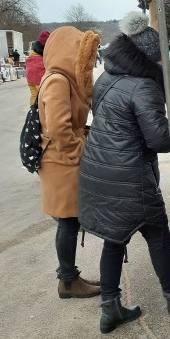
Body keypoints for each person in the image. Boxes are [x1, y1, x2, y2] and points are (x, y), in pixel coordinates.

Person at [78, 11, 170, 334]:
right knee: (158, 234)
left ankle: (110, 308)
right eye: (163, 60)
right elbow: (159, 139)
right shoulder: (144, 87)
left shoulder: (106, 78)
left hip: (99, 171)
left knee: (113, 238)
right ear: (150, 60)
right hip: (130, 176)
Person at [38, 26, 102, 299]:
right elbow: (58, 128)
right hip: (61, 162)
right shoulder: (57, 81)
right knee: (67, 221)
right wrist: (79, 154)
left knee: (71, 222)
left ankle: (69, 277)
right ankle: (67, 282)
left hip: (64, 160)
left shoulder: (63, 79)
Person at [26, 30, 50, 106]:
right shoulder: (43, 54)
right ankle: (39, 114)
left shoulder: (33, 52)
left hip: (30, 77)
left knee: (34, 96)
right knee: (43, 98)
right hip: (38, 79)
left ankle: (33, 112)